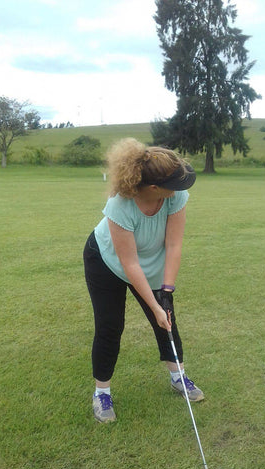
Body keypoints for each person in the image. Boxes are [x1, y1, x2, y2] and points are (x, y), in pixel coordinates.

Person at [83, 138, 204, 423]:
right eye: (174, 183)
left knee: (167, 317)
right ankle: (101, 393)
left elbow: (174, 246)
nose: (180, 188)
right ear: (153, 188)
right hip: (107, 262)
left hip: (150, 263)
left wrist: (166, 293)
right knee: (110, 325)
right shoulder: (120, 206)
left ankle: (178, 377)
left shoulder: (175, 197)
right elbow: (129, 264)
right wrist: (153, 304)